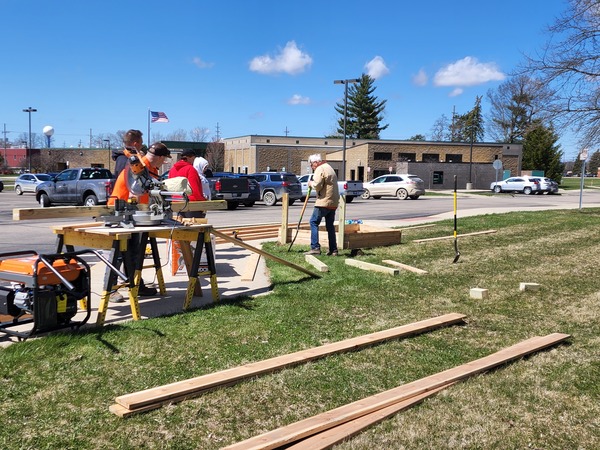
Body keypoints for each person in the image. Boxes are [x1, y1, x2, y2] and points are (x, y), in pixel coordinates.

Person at [108, 142, 171, 297]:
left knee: (134, 252)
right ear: (160, 157)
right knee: (120, 253)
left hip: (136, 214)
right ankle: (111, 289)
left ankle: (135, 284)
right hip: (121, 212)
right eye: (164, 159)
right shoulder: (141, 166)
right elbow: (134, 194)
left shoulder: (149, 167)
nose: (164, 162)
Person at [305, 154, 340, 256]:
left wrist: (310, 183)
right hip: (333, 202)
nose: (312, 167)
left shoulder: (320, 169)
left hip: (324, 202)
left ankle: (315, 247)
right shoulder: (329, 167)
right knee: (330, 226)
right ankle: (333, 250)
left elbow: (317, 185)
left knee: (313, 222)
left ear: (316, 162)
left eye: (311, 164)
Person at [169, 149, 206, 218]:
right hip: (191, 203)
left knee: (182, 226)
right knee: (195, 226)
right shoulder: (190, 169)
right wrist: (202, 201)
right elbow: (194, 189)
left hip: (177, 202)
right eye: (193, 159)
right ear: (190, 157)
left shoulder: (172, 170)